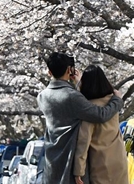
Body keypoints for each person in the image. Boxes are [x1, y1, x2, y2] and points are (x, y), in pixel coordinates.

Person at [37, 52, 123, 184]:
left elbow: (69, 108)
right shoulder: (72, 97)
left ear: (49, 72)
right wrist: (117, 100)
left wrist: (79, 85)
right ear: (69, 70)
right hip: (70, 158)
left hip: (52, 157)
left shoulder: (42, 97)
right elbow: (100, 115)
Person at [73, 65, 128, 184]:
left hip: (101, 163)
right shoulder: (113, 102)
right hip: (119, 160)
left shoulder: (90, 109)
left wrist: (78, 171)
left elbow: (84, 142)